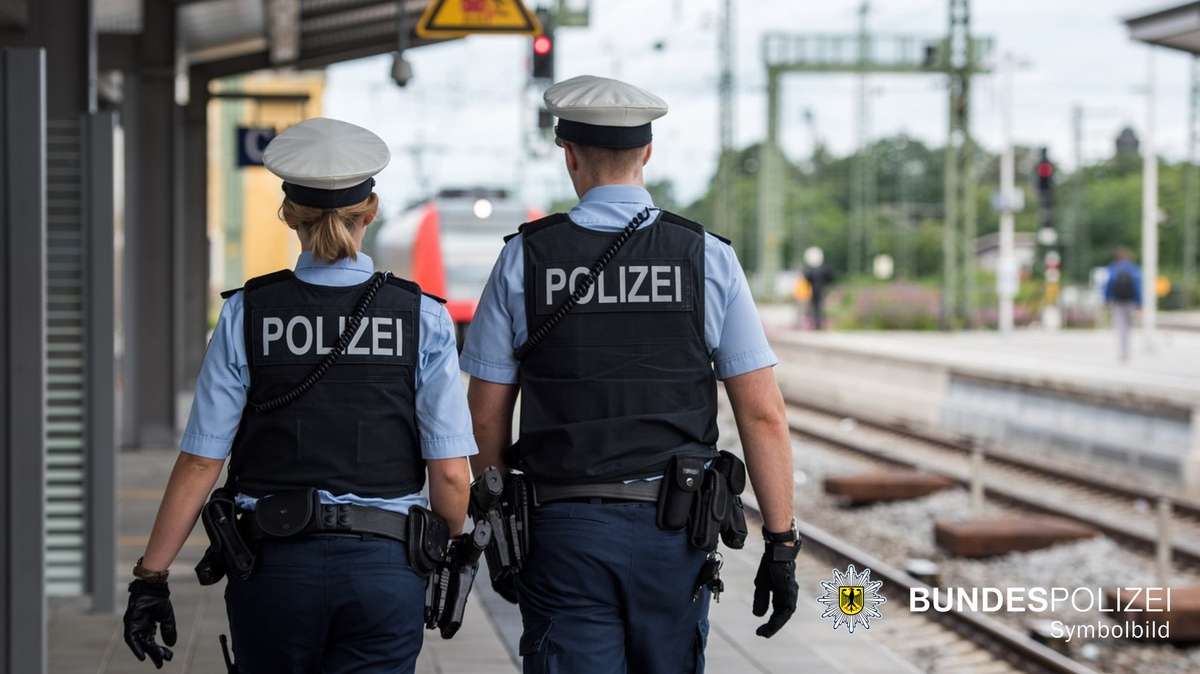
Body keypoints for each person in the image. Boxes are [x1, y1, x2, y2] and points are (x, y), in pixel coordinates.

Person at [459, 75, 799, 673]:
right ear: (646, 152)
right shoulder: (706, 258)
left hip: (562, 534)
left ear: (569, 155)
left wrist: (496, 522)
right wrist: (781, 542)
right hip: (675, 531)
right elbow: (762, 412)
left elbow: (484, 413)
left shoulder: (524, 258)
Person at [121, 117, 475, 673]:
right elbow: (451, 473)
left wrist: (151, 576)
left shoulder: (246, 313)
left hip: (275, 571)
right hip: (384, 572)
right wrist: (456, 551)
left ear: (289, 215)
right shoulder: (421, 317)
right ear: (371, 210)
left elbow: (199, 463)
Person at [1103, 246, 1142, 363]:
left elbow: (1108, 285)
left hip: (1117, 302)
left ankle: (1122, 353)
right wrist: (1139, 303)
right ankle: (1127, 352)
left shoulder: (1113, 268)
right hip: (1130, 302)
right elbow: (1138, 287)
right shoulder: (1134, 269)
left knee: (1121, 328)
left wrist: (1106, 300)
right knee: (1128, 328)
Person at [801, 246, 835, 330]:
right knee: (821, 307)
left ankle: (816, 324)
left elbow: (806, 278)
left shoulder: (810, 270)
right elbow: (831, 278)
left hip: (814, 290)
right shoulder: (825, 269)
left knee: (815, 307)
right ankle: (820, 324)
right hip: (822, 290)